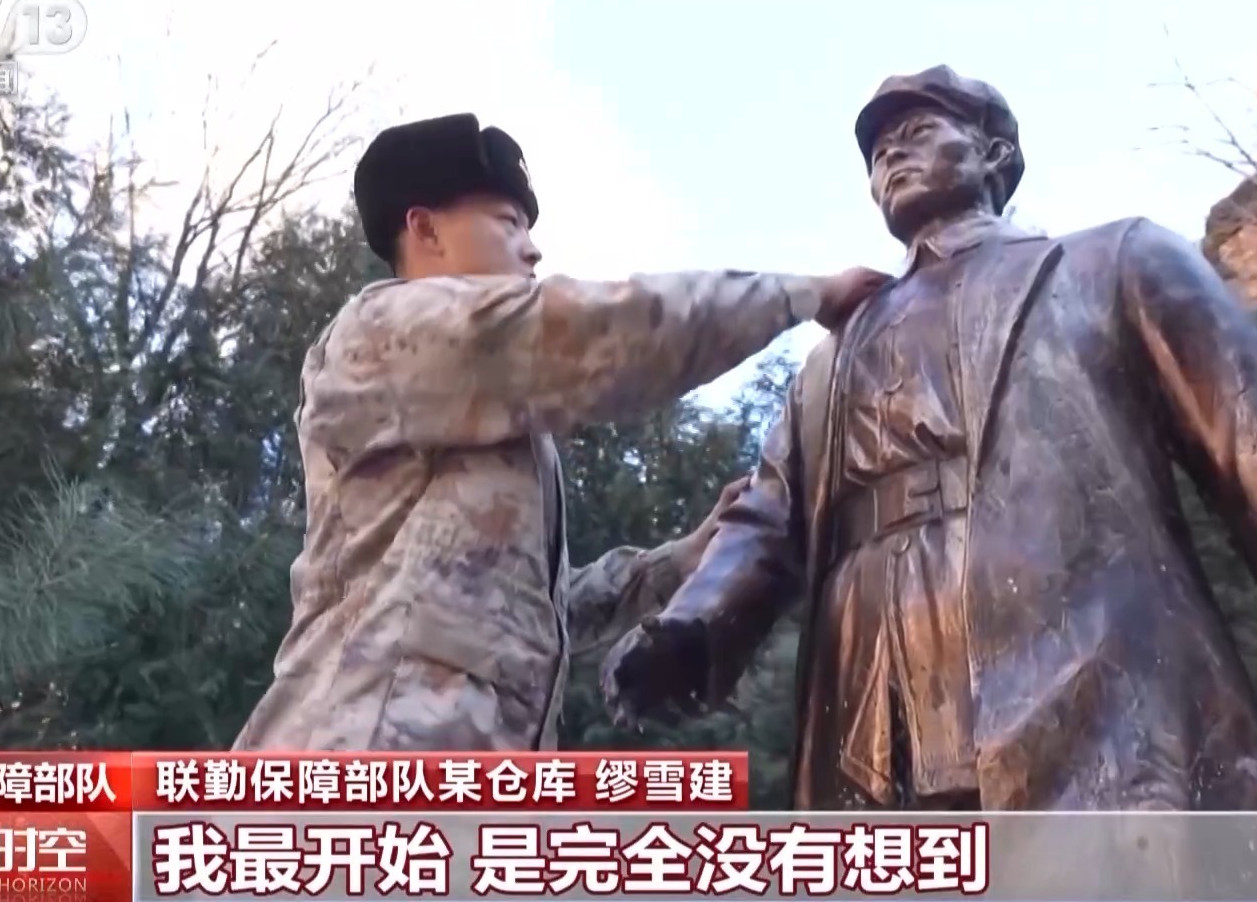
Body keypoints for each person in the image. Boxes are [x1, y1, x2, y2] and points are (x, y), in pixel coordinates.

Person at [602, 66, 1257, 813]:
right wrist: (689, 628)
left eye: (918, 131)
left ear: (995, 154)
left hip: (1093, 679)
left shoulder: (1113, 262)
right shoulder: (827, 362)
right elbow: (766, 522)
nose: (892, 155)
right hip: (871, 711)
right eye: (878, 153)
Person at [232, 112, 890, 751]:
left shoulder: (476, 404)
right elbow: (605, 328)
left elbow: (532, 610)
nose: (532, 247)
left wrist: (678, 561)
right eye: (507, 221)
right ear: (426, 229)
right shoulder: (382, 334)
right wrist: (806, 295)